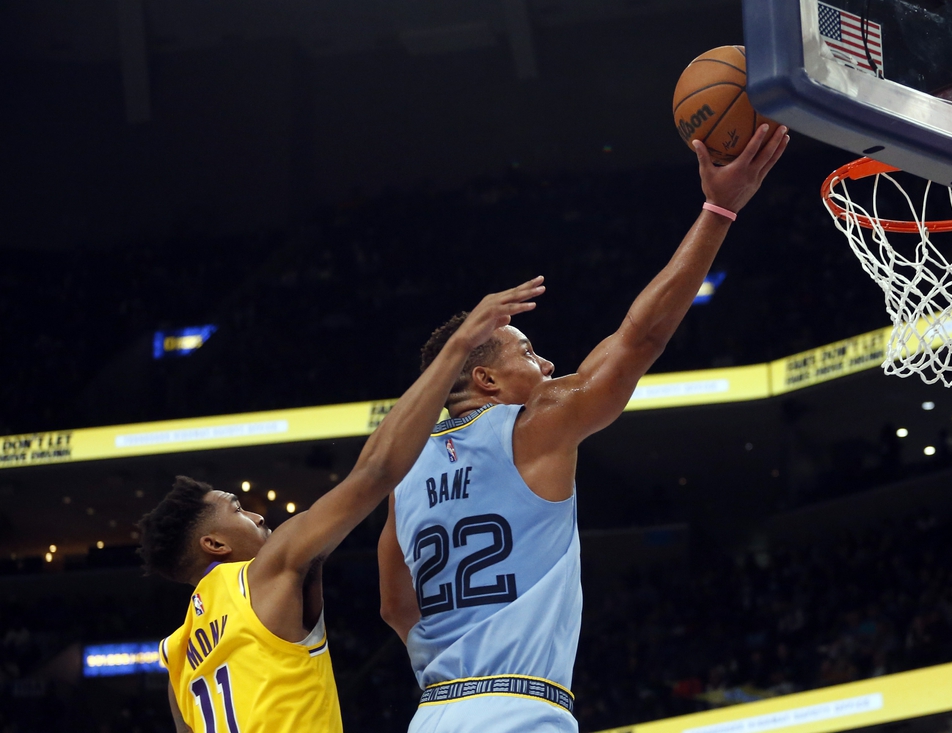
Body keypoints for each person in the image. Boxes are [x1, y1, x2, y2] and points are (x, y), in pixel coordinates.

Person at [377, 126, 790, 731]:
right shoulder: (534, 426)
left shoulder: (402, 473)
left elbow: (394, 607)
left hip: (434, 712)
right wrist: (720, 209)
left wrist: (455, 671)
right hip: (519, 708)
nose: (547, 366)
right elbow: (639, 338)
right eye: (530, 353)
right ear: (487, 380)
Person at [137, 277, 546, 733]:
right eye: (236, 509)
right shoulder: (265, 572)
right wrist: (458, 348)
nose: (255, 515)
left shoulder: (175, 656)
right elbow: (375, 473)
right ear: (213, 543)